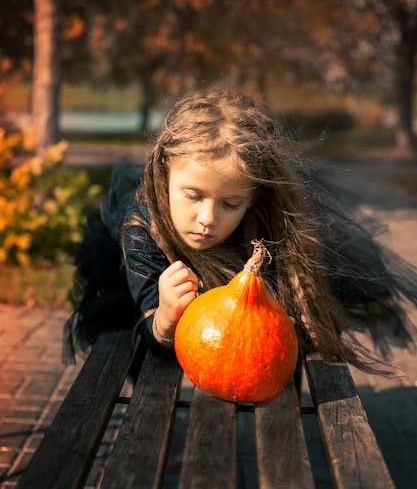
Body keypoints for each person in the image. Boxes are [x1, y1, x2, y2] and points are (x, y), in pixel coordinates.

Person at [64, 84, 417, 372]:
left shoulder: (266, 222)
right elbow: (152, 337)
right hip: (142, 296)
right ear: (166, 172)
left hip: (241, 304)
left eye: (230, 204)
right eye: (193, 196)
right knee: (135, 353)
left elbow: (285, 310)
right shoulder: (142, 230)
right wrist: (165, 320)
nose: (207, 217)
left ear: (252, 198)